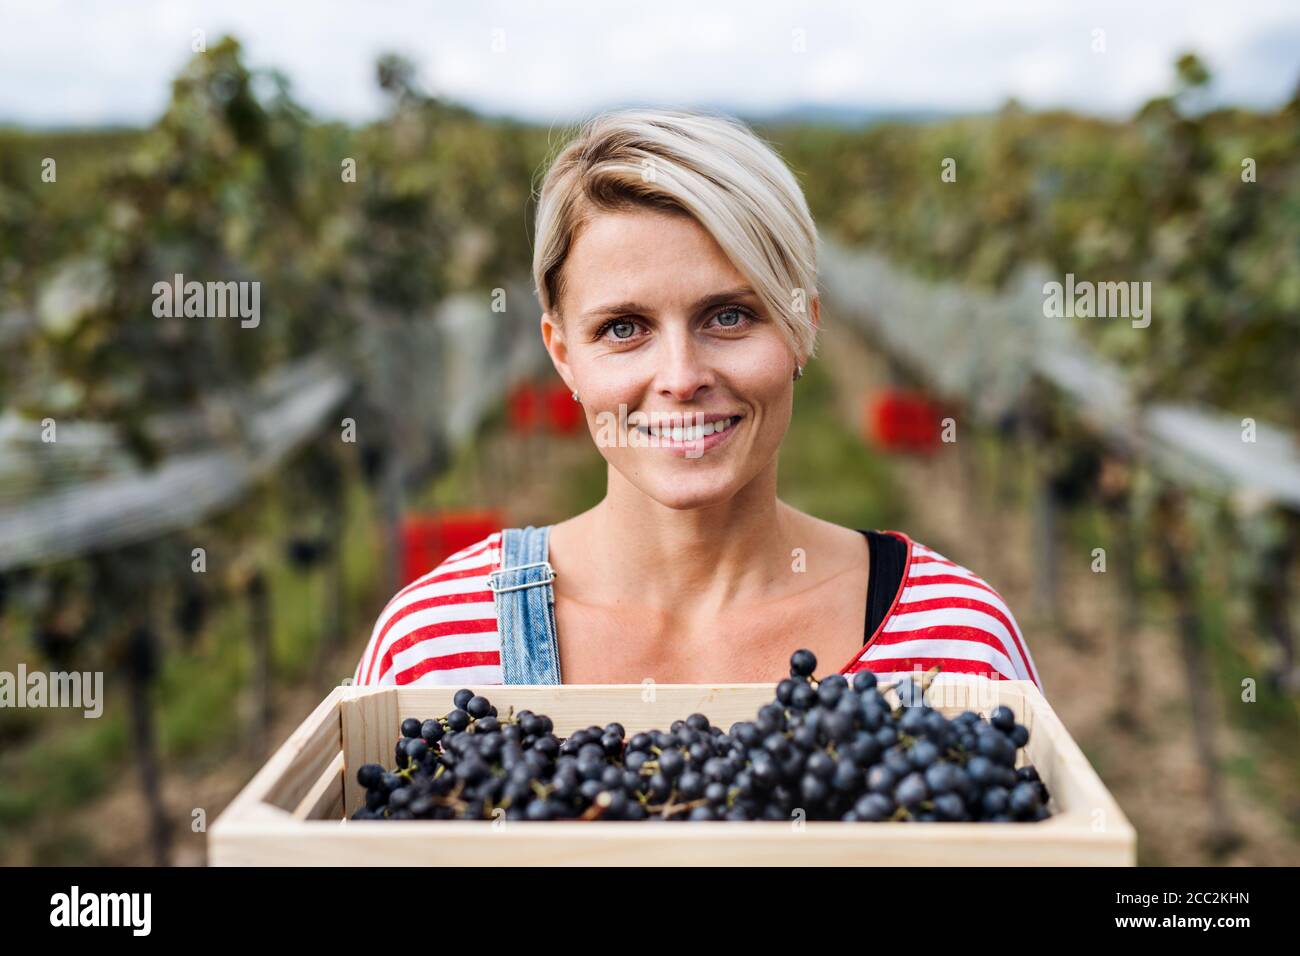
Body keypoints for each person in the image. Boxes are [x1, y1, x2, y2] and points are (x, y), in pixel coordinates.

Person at [353, 108, 1041, 693]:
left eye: (729, 317)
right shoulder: (433, 655)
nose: (681, 376)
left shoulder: (955, 645)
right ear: (563, 355)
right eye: (624, 329)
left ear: (803, 326)